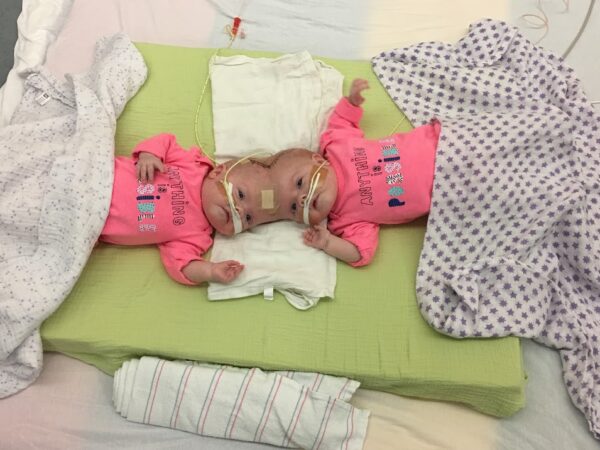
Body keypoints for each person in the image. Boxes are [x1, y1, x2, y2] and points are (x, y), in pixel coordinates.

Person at [271, 78, 441, 266]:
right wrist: (328, 243)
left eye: (299, 183)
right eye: (293, 208)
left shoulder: (336, 147)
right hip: (448, 189)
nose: (302, 199)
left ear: (318, 161)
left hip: (440, 141)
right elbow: (360, 252)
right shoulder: (344, 220)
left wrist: (351, 102)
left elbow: (342, 120)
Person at [99, 133, 279, 285]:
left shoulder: (197, 235)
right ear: (217, 173)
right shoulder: (191, 165)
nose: (239, 211)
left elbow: (182, 264)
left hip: (94, 220)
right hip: (100, 174)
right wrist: (149, 155)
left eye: (248, 218)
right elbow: (165, 141)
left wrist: (209, 271)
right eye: (240, 195)